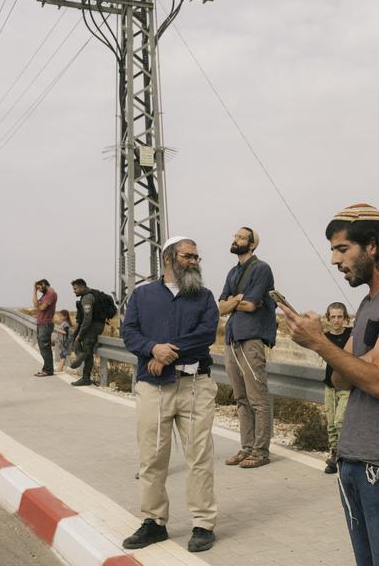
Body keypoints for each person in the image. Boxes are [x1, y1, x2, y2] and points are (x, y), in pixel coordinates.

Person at [279, 203, 379, 566]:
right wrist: (367, 365)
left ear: (372, 246)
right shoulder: (369, 303)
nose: (334, 260)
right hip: (353, 460)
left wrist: (321, 343)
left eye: (342, 248)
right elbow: (338, 378)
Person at [121, 235, 220, 553]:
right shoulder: (142, 295)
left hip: (195, 387)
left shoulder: (203, 297)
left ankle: (203, 524)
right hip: (153, 388)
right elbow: (129, 332)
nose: (194, 262)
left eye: (196, 257)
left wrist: (166, 353)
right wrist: (152, 348)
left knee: (199, 457)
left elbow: (206, 333)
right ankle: (154, 522)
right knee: (151, 458)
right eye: (188, 256)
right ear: (168, 258)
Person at [218, 227, 277, 469]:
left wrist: (235, 301)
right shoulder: (233, 271)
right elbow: (220, 307)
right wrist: (235, 300)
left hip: (251, 337)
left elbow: (251, 305)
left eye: (241, 237)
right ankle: (247, 447)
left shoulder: (261, 268)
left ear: (252, 245)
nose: (235, 239)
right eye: (235, 236)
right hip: (232, 338)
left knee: (258, 398)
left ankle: (261, 451)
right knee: (241, 397)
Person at [323, 302, 352, 474]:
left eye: (340, 316)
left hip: (346, 385)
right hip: (329, 385)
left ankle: (344, 456)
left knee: (340, 421)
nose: (336, 320)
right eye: (333, 317)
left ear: (345, 318)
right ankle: (334, 454)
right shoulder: (325, 337)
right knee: (330, 423)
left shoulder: (351, 334)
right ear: (328, 318)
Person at [69, 278, 105, 386]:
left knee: (87, 352)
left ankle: (85, 378)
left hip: (92, 327)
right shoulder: (89, 295)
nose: (74, 291)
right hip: (94, 326)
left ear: (81, 287)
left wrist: (80, 334)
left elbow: (87, 319)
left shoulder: (87, 298)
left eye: (75, 289)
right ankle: (81, 355)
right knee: (79, 344)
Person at [33, 279, 58, 377]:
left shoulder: (51, 293)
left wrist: (39, 305)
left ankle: (48, 370)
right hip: (41, 323)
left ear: (43, 284)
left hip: (45, 324)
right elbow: (36, 305)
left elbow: (42, 308)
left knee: (45, 347)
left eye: (39, 287)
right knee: (43, 348)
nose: (38, 290)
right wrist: (34, 290)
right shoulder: (45, 295)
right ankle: (46, 369)